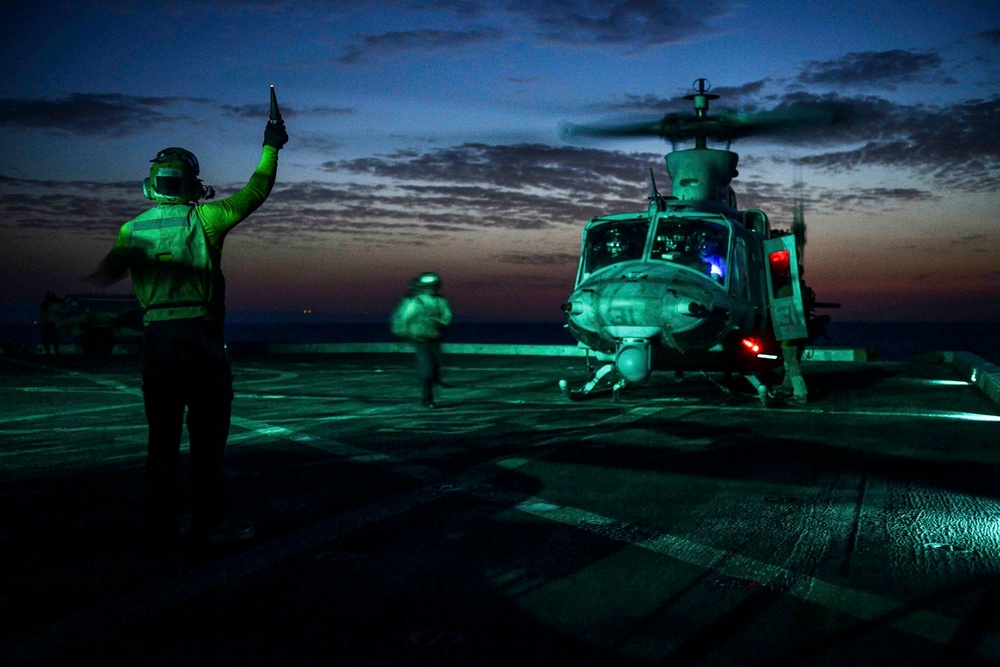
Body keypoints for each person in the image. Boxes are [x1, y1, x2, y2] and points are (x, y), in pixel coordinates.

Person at [89, 114, 288, 541]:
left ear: (151, 185)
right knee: (207, 437)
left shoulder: (131, 230)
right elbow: (257, 191)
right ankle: (209, 522)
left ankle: (161, 523)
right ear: (192, 184)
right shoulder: (206, 220)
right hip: (200, 340)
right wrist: (271, 146)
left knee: (161, 439)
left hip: (155, 342)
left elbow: (106, 274)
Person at [391, 272, 453, 408]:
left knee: (437, 363)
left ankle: (435, 380)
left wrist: (435, 319)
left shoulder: (440, 301)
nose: (430, 289)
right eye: (428, 286)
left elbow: (447, 318)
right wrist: (406, 334)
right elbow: (404, 319)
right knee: (427, 369)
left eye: (432, 286)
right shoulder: (415, 301)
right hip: (420, 339)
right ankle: (427, 399)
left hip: (434, 338)